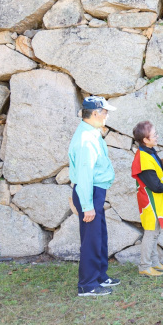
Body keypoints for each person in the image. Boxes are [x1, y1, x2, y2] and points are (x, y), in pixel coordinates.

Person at [68, 96, 119, 297]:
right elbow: (84, 174)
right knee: (90, 239)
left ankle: (100, 276)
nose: (107, 115)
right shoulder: (85, 140)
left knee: (99, 236)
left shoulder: (91, 133)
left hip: (95, 191)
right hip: (89, 192)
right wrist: (88, 205)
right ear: (95, 113)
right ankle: (87, 285)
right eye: (105, 112)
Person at [131, 121, 163, 277]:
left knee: (155, 233)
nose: (157, 136)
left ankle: (154, 263)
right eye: (154, 135)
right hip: (149, 202)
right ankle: (144, 265)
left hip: (156, 200)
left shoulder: (149, 151)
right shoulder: (143, 158)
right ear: (145, 140)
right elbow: (155, 185)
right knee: (150, 233)